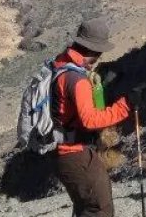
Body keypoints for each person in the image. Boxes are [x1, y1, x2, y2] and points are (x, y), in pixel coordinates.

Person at [52, 18, 133, 217]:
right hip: (75, 153)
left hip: (62, 151)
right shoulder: (76, 80)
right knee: (99, 209)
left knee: (85, 207)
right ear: (94, 50)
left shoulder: (61, 63)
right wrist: (126, 106)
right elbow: (90, 120)